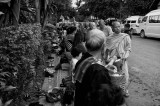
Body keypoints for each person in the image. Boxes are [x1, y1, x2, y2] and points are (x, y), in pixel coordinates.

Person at [74, 29, 125, 106]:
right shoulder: (98, 71)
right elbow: (104, 100)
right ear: (103, 46)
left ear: (86, 44)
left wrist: (104, 68)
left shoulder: (82, 60)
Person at [104, 21, 131, 97]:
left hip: (122, 60)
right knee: (113, 76)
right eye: (116, 27)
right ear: (112, 28)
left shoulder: (125, 36)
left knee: (125, 76)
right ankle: (113, 91)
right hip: (112, 61)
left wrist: (125, 56)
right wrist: (107, 59)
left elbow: (128, 48)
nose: (118, 28)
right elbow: (106, 50)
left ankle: (125, 90)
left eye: (119, 26)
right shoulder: (109, 38)